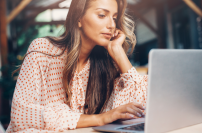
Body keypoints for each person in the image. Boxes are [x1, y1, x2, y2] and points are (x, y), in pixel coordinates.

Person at [6, 0, 148, 132]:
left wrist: (119, 54)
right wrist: (99, 118)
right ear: (79, 18)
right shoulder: (43, 50)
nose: (111, 25)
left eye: (115, 18)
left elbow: (142, 110)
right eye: (102, 15)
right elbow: (21, 115)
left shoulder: (106, 65)